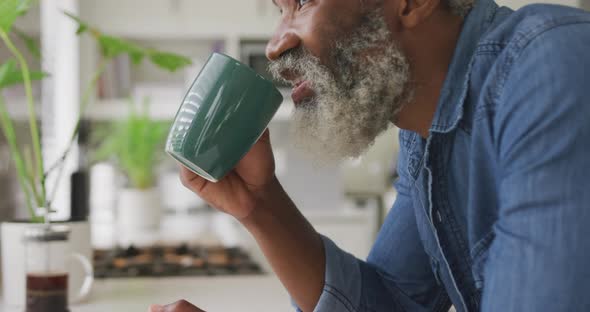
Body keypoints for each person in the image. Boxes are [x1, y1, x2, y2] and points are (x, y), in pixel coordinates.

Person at [150, 0, 590, 311]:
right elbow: (390, 304)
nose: (274, 46)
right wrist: (259, 204)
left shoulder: (552, 70)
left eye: (302, 2)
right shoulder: (424, 136)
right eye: (279, 9)